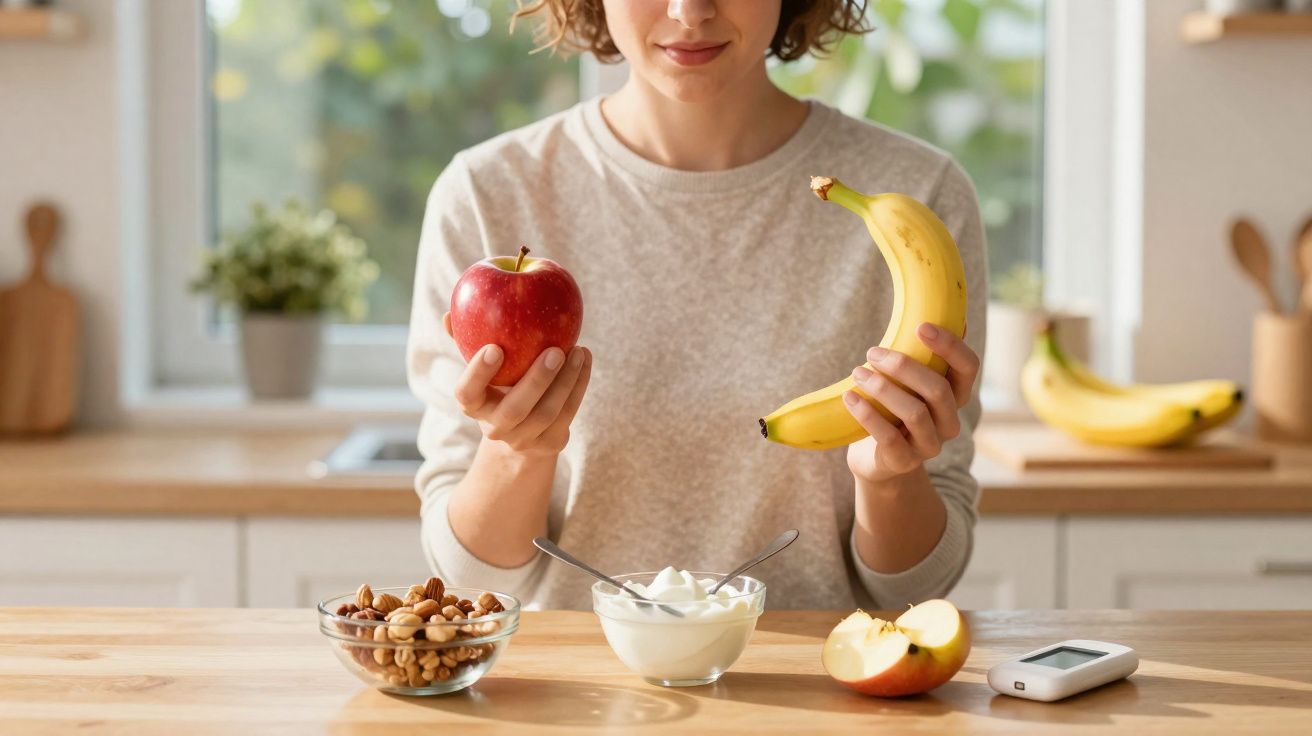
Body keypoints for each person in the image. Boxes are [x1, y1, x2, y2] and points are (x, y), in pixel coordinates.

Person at [408, 0, 986, 611]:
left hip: (819, 692)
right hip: (576, 695)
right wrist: (514, 450)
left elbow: (919, 587)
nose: (690, 12)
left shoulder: (917, 197)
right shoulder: (486, 194)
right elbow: (473, 578)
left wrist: (890, 481)